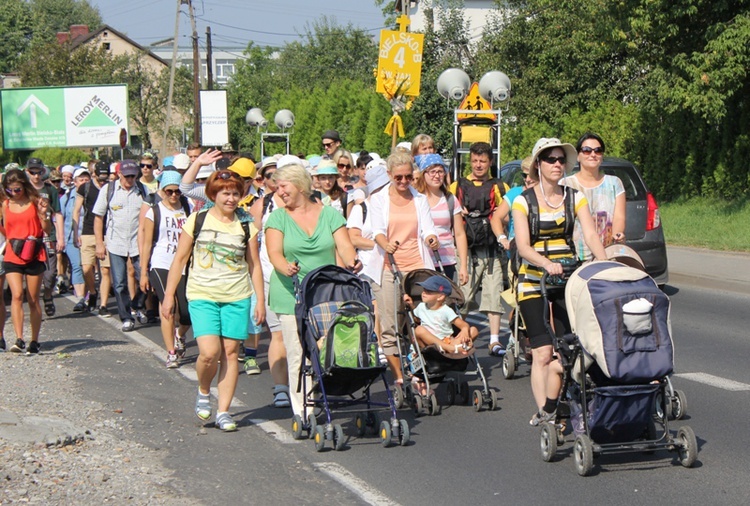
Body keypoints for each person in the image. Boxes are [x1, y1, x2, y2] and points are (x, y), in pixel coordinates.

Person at [512, 138, 607, 426]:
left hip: (567, 278)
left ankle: (558, 403)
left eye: (560, 160)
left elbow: (590, 234)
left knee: (569, 348)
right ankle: (545, 413)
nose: (556, 164)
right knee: (542, 352)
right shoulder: (523, 201)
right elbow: (523, 246)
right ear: (538, 165)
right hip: (533, 281)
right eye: (550, 159)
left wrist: (603, 263)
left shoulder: (573, 196)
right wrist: (545, 263)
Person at [162, 169, 264, 431]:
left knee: (230, 353)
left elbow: (254, 266)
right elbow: (180, 260)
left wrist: (260, 301)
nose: (230, 198)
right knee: (209, 353)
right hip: (202, 294)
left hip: (237, 295)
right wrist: (168, 296)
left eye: (235, 193)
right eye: (225, 193)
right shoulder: (197, 220)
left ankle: (224, 411)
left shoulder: (246, 224)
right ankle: (204, 391)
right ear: (213, 194)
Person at [265, 163, 360, 417]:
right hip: (291, 293)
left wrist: (352, 261)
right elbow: (274, 252)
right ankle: (303, 411)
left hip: (324, 293)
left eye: (284, 186)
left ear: (299, 185)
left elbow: (345, 246)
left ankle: (320, 395)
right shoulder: (278, 217)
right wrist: (285, 267)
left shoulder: (329, 214)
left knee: (326, 348)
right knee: (298, 352)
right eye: (277, 187)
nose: (280, 191)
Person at [368, 151, 439, 389]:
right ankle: (399, 375)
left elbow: (428, 229)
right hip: (388, 267)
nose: (403, 182)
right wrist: (384, 243)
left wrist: (431, 239)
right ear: (389, 175)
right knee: (391, 326)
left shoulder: (419, 199)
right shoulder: (379, 200)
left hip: (417, 266)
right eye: (398, 177)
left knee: (419, 322)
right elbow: (376, 229)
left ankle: (418, 371)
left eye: (408, 176)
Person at [450, 142, 509, 356]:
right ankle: (460, 337)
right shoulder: (457, 186)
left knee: (493, 295)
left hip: (492, 250)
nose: (478, 165)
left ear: (490, 162)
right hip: (467, 250)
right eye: (474, 160)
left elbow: (507, 214)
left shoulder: (499, 187)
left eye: (482, 161)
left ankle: (494, 341)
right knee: (464, 296)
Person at [248, 160, 290, 405]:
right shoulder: (262, 205)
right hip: (269, 275)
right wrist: (258, 293)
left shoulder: (313, 204)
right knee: (278, 335)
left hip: (302, 278)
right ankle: (281, 387)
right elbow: (253, 244)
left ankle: (303, 384)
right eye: (273, 178)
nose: (278, 183)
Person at [140, 171, 192, 369]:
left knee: (186, 313)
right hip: (161, 263)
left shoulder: (187, 208)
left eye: (177, 191)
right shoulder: (154, 211)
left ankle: (180, 335)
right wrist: (144, 272)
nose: (173, 195)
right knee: (167, 308)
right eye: (169, 191)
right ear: (162, 191)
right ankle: (171, 352)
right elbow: (146, 244)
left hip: (184, 264)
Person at [93, 160, 152, 332]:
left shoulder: (143, 190)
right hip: (116, 242)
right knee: (119, 283)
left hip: (137, 243)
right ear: (119, 175)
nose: (130, 179)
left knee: (145, 278)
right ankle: (126, 317)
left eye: (133, 176)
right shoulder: (108, 190)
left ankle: (137, 305)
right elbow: (99, 217)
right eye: (127, 176)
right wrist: (99, 243)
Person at [1, 169, 52, 354]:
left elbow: (47, 229)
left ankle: (34, 340)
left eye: (17, 190)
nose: (13, 194)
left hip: (34, 254)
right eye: (9, 190)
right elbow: (5, 229)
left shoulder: (35, 202)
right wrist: (14, 242)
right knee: (16, 295)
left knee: (32, 299)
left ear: (24, 186)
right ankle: (19, 338)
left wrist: (44, 214)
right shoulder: (5, 205)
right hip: (13, 254)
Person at [563, 132, 626, 259]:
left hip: (606, 255)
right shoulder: (565, 184)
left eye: (598, 151)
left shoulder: (615, 183)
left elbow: (619, 217)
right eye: (586, 150)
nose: (593, 154)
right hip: (574, 257)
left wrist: (617, 234)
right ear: (578, 156)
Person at [415, 154, 469, 284]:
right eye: (432, 171)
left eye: (440, 171)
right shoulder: (415, 199)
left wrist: (463, 266)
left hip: (446, 261)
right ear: (424, 174)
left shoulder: (450, 199)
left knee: (445, 302)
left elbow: (460, 234)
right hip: (421, 260)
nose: (437, 175)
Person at [26, 158, 64, 318]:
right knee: (30, 272)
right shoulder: (24, 189)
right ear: (28, 172)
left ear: (42, 172)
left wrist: (61, 237)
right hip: (28, 235)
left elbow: (58, 213)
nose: (36, 176)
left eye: (38, 172)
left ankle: (47, 294)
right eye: (32, 172)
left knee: (51, 273)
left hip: (48, 235)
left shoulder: (50, 189)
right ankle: (33, 305)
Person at [73, 161, 112, 316]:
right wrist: (76, 233)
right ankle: (92, 291)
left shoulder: (112, 187)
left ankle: (103, 305)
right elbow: (77, 210)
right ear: (94, 174)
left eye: (105, 178)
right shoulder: (86, 188)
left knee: (105, 270)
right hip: (88, 231)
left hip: (107, 233)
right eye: (100, 178)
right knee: (87, 268)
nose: (103, 182)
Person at [410, 275, 478, 357]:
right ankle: (454, 348)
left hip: (447, 341)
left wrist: (464, 331)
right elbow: (416, 320)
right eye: (424, 290)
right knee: (419, 330)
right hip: (429, 344)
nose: (424, 293)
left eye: (429, 291)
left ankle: (454, 347)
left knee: (473, 330)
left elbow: (463, 324)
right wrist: (411, 305)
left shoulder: (446, 311)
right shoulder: (421, 307)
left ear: (440, 297)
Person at [61, 167, 90, 312]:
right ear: (75, 181)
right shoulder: (67, 197)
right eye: (81, 179)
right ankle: (80, 298)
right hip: (70, 237)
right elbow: (59, 217)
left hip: (88, 236)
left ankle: (89, 294)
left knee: (87, 267)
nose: (84, 182)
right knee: (77, 266)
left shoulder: (93, 196)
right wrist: (60, 238)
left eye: (86, 179)